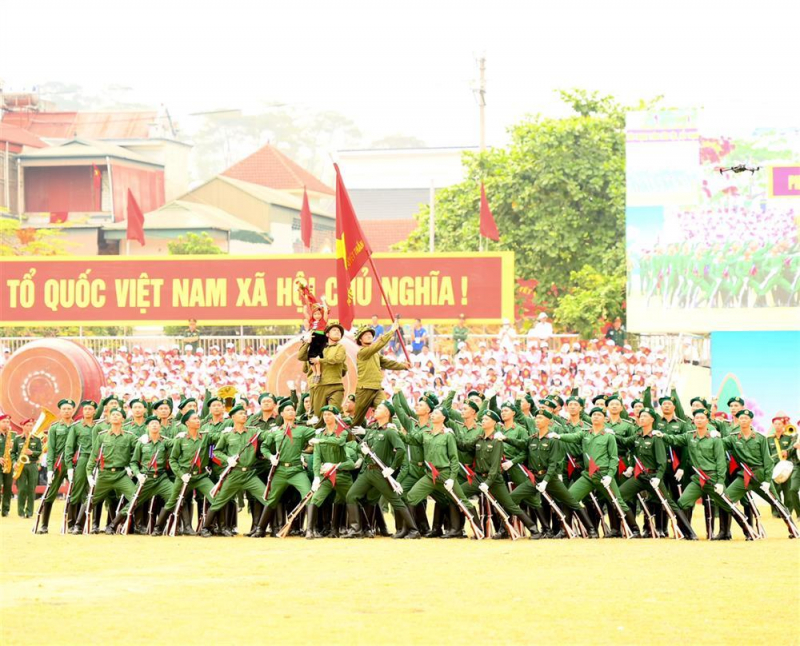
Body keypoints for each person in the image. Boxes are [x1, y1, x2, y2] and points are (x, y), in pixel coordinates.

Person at [656, 409, 753, 540]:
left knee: (728, 505)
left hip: (713, 479)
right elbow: (674, 439)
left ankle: (748, 531)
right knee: (681, 503)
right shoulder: (690, 436)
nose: (699, 420)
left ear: (707, 420)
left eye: (702, 418)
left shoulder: (714, 439)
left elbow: (721, 461)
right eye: (697, 418)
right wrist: (662, 435)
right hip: (698, 479)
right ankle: (689, 533)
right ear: (694, 421)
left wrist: (720, 481)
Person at [509, 409, 597, 538]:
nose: (537, 420)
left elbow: (553, 463)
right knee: (511, 499)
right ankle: (534, 530)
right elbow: (521, 444)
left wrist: (545, 481)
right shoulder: (532, 438)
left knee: (571, 501)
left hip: (550, 478)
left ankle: (591, 530)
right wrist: (505, 439)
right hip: (535, 478)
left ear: (548, 421)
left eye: (540, 418)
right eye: (536, 418)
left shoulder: (553, 439)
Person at [616, 408, 697, 539]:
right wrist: (610, 433)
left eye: (645, 416)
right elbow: (625, 442)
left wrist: (658, 478)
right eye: (640, 416)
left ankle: (689, 532)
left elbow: (662, 461)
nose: (641, 418)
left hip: (653, 477)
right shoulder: (638, 436)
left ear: (652, 420)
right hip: (640, 477)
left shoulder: (656, 437)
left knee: (669, 503)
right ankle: (635, 530)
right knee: (618, 498)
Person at [343, 401, 419, 539]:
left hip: (380, 472)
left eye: (380, 408)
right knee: (351, 496)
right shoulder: (372, 431)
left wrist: (392, 468)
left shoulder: (390, 432)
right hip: (367, 471)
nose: (376, 410)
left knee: (395, 500)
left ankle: (414, 530)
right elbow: (359, 445)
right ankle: (356, 529)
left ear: (387, 413)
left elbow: (401, 450)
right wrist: (362, 449)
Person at [459, 410, 541, 538]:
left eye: (486, 419)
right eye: (483, 419)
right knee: (460, 494)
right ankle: (479, 530)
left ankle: (534, 529)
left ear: (493, 422)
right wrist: (451, 435)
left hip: (494, 480)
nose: (483, 421)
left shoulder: (497, 441)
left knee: (510, 505)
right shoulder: (480, 438)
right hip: (479, 477)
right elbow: (464, 446)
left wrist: (488, 483)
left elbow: (495, 466)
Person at [251, 402, 317, 538]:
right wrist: (270, 457)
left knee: (309, 496)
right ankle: (260, 529)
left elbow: (318, 434)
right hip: (280, 470)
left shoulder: (302, 430)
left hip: (296, 470)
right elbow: (264, 447)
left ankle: (310, 529)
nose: (291, 412)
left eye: (293, 410)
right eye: (287, 410)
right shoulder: (276, 431)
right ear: (282, 414)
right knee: (271, 499)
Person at [72, 409, 138, 535]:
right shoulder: (102, 435)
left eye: (118, 415)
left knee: (135, 498)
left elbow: (140, 449)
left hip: (121, 475)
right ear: (108, 418)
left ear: (123, 419)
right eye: (112, 414)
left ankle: (113, 524)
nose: (114, 416)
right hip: (104, 475)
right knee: (91, 499)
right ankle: (78, 525)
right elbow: (93, 455)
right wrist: (89, 474)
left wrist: (131, 466)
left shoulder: (130, 437)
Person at [153, 409, 216, 536]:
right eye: (194, 419)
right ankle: (158, 527)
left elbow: (219, 437)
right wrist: (181, 475)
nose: (198, 421)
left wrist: (229, 431)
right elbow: (173, 459)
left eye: (198, 418)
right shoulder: (180, 439)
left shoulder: (205, 436)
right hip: (183, 476)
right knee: (172, 500)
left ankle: (205, 528)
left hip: (201, 477)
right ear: (187, 423)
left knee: (216, 498)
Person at [305, 405, 355, 539]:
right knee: (315, 499)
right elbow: (316, 458)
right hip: (326, 476)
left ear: (336, 416)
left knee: (352, 497)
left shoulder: (342, 431)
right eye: (325, 414)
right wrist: (316, 476)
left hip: (341, 475)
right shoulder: (320, 433)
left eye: (329, 414)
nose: (326, 417)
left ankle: (360, 528)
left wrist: (320, 441)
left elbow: (339, 442)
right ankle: (309, 530)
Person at [352, 319, 409, 427]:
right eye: (366, 334)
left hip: (377, 388)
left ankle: (388, 435)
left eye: (370, 334)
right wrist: (391, 331)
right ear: (360, 339)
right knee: (357, 421)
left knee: (386, 410)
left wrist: (403, 366)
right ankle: (350, 442)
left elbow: (387, 363)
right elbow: (379, 344)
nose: (369, 336)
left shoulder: (375, 353)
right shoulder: (363, 352)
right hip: (365, 389)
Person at [39, 398, 76, 533]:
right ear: (60, 411)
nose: (66, 411)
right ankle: (44, 525)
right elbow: (51, 449)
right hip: (58, 464)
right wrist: (49, 469)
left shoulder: (77, 426)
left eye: (69, 409)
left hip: (73, 464)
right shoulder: (54, 427)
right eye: (64, 409)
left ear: (73, 410)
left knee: (74, 493)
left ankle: (72, 526)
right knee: (50, 493)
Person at [299, 323, 346, 417]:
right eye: (334, 330)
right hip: (315, 386)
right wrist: (308, 342)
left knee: (333, 413)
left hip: (332, 383)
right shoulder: (317, 347)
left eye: (339, 331)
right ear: (327, 334)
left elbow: (342, 366)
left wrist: (321, 361)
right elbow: (301, 357)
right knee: (315, 415)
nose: (337, 332)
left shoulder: (339, 348)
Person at [65, 401, 98, 531]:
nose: (88, 411)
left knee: (93, 492)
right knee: (77, 490)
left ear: (94, 411)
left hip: (96, 460)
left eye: (90, 409)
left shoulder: (98, 427)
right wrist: (69, 466)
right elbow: (69, 447)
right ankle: (72, 523)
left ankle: (88, 523)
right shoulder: (76, 426)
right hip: (83, 458)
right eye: (85, 409)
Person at [297, 280, 330, 385]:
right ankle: (315, 373)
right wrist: (304, 304)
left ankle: (319, 373)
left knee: (318, 356)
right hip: (313, 338)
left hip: (321, 338)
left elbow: (325, 310)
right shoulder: (311, 322)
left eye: (319, 314)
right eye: (315, 314)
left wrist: (323, 301)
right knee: (310, 356)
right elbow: (305, 313)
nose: (317, 316)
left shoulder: (323, 321)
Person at [12, 418, 41, 518]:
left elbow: (40, 452)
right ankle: (21, 512)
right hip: (21, 465)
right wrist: (14, 462)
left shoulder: (37, 439)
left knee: (31, 489)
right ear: (23, 426)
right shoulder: (17, 439)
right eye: (27, 425)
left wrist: (32, 452)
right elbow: (13, 453)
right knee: (22, 489)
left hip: (32, 465)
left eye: (31, 425)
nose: (29, 427)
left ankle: (29, 512)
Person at [0, 414, 14, 517]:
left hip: (8, 464)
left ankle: (6, 510)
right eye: (4, 422)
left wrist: (13, 447)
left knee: (8, 487)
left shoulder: (12, 435)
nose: (6, 424)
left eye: (8, 422)